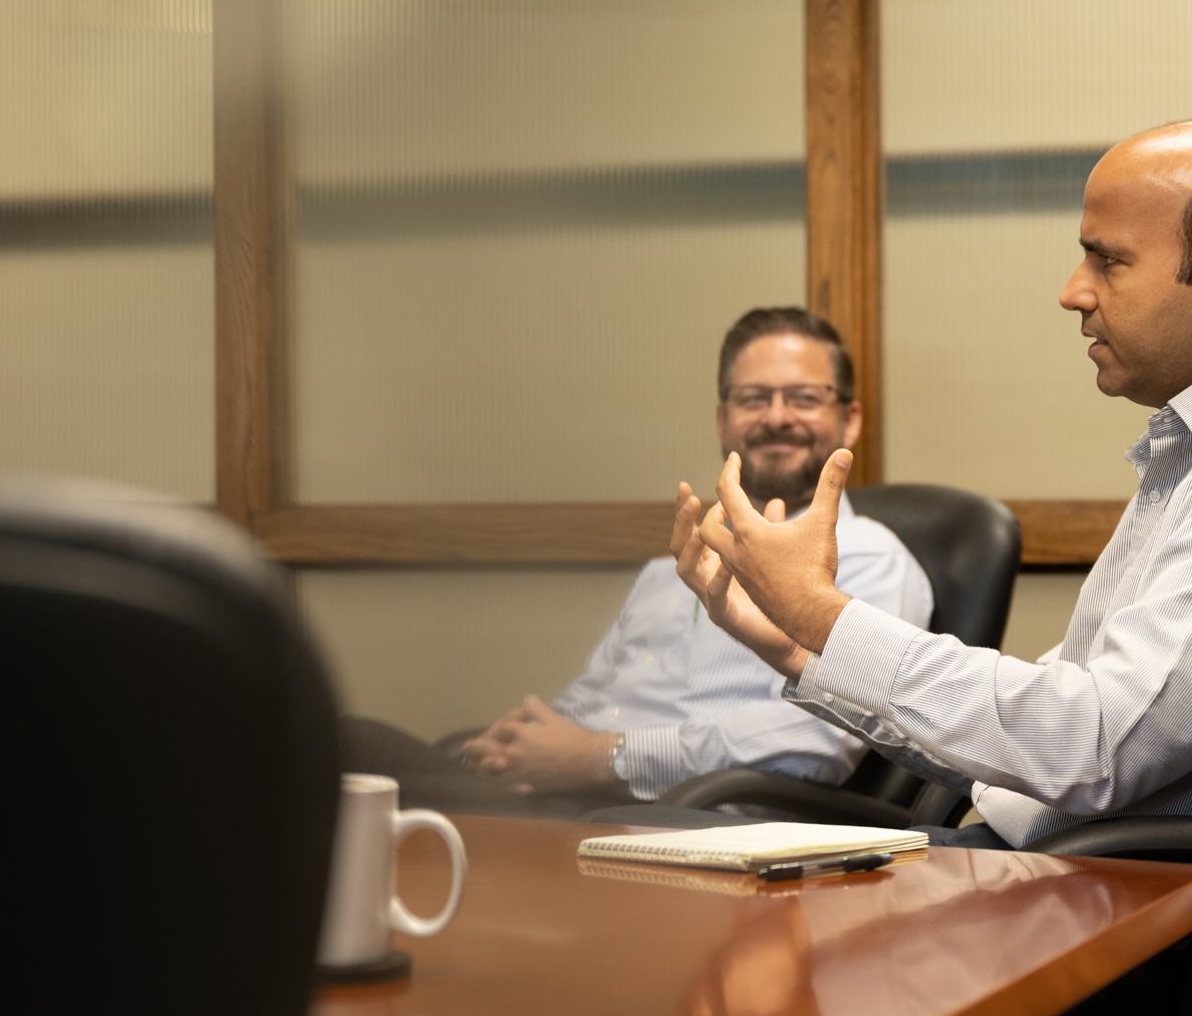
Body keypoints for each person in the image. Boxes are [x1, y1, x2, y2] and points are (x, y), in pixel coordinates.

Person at [672, 121, 1192, 962]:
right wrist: (799, 646)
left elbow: (1092, 743)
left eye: (1107, 260)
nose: (1073, 291)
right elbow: (1061, 708)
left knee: (739, 954)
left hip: (1157, 935)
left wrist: (823, 614)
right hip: (1083, 887)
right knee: (688, 901)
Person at [347, 307, 933, 816]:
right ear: (722, 418)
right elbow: (594, 698)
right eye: (754, 398)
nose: (777, 416)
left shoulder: (872, 556)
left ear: (849, 419)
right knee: (343, 743)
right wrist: (520, 742)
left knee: (344, 787)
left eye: (804, 397)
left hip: (680, 819)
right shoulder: (672, 567)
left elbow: (820, 739)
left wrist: (604, 758)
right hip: (563, 796)